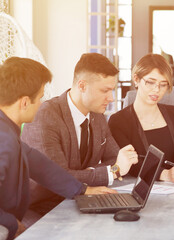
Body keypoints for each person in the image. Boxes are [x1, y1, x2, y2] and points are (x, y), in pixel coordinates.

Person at [0, 57, 116, 240]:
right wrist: (10, 223)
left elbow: (40, 165)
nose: (41, 104)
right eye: (39, 98)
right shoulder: (4, 140)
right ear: (24, 102)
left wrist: (82, 190)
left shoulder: (7, 132)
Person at [20, 53, 138, 214]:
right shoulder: (46, 115)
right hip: (43, 209)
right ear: (82, 86)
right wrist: (113, 171)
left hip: (84, 199)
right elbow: (58, 177)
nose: (110, 98)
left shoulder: (97, 114)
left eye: (112, 90)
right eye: (105, 90)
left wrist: (87, 174)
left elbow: (113, 157)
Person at [109, 54, 174, 183]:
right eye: (150, 82)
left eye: (163, 84)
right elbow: (131, 165)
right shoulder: (118, 121)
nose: (156, 90)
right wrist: (165, 174)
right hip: (138, 187)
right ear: (136, 79)